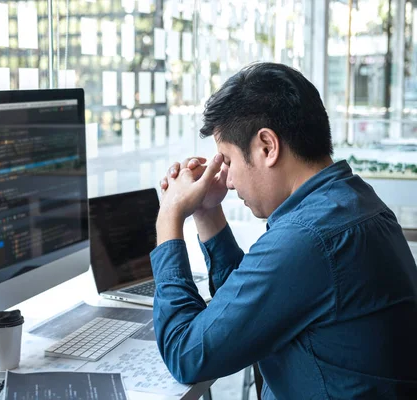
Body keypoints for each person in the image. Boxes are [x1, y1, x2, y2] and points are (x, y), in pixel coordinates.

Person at [153, 62, 417, 399]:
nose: (229, 181)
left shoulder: (310, 237)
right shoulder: (350, 201)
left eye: (228, 161)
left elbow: (187, 354)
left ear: (267, 146)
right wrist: (208, 211)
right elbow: (247, 310)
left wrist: (169, 216)